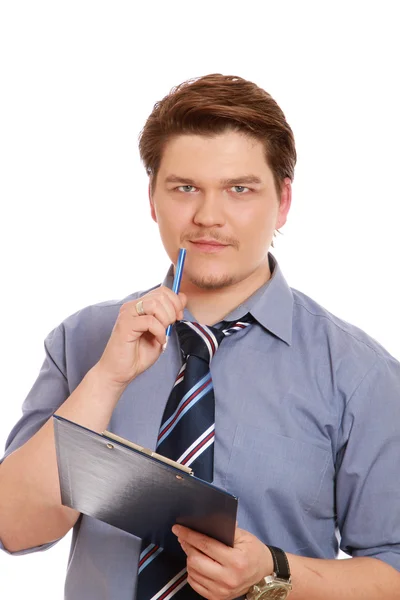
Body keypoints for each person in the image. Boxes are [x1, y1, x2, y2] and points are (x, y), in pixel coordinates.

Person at [0, 73, 399, 600]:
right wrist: (106, 380)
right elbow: (16, 528)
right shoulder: (83, 340)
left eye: (239, 189)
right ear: (153, 199)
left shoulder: (357, 372)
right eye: (185, 188)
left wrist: (276, 570)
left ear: (282, 202)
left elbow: (392, 567)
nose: (208, 217)